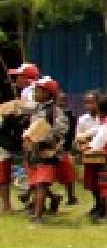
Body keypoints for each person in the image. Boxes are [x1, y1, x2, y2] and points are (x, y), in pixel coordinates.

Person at [23, 76, 68, 224]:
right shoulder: (35, 109)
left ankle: (38, 216)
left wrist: (45, 137)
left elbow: (61, 130)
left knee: (41, 184)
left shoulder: (55, 112)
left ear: (48, 93)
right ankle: (49, 202)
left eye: (38, 91)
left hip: (46, 153)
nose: (35, 93)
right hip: (32, 153)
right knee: (36, 184)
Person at [76, 91, 104, 219]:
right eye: (86, 103)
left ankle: (104, 205)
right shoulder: (83, 119)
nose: (89, 105)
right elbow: (79, 136)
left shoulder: (103, 118)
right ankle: (97, 203)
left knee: (104, 181)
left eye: (91, 102)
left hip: (103, 154)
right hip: (89, 154)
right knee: (91, 181)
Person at [54, 91, 79, 206]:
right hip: (50, 149)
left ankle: (71, 196)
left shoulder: (70, 115)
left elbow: (71, 133)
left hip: (64, 149)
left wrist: (67, 148)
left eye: (65, 100)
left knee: (69, 173)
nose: (62, 103)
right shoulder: (51, 113)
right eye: (60, 100)